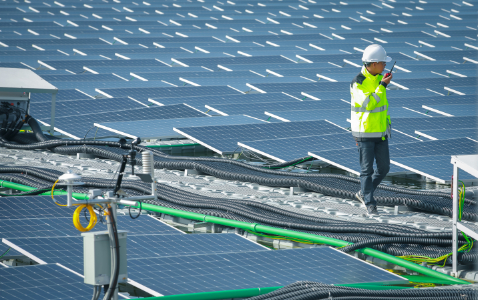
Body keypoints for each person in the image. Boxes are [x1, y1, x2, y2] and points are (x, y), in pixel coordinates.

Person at [350, 44, 393, 216]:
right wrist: (382, 86)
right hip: (365, 133)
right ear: (374, 63)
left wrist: (382, 84)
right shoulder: (358, 82)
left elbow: (381, 105)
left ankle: (363, 193)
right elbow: (368, 104)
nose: (385, 66)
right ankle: (370, 203)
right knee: (366, 171)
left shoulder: (379, 79)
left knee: (384, 168)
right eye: (383, 63)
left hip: (381, 133)